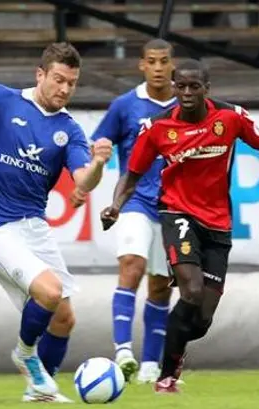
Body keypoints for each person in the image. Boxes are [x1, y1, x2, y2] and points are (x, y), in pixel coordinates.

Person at [0, 24, 113, 402]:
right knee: (49, 291)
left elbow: (84, 181)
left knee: (64, 318)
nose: (64, 89)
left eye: (72, 84)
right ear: (40, 74)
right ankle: (25, 354)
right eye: (59, 80)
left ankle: (39, 391)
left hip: (33, 227)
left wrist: (96, 164)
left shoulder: (69, 131)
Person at [101, 59, 259, 393]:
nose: (186, 93)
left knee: (201, 320)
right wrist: (115, 205)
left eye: (193, 86)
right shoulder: (157, 127)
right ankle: (165, 376)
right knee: (192, 290)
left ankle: (172, 354)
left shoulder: (230, 117)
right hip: (176, 213)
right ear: (173, 87)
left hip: (218, 221)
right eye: (180, 86)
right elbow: (133, 173)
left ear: (206, 89)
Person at [92, 39, 177, 383]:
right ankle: (123, 351)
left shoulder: (185, 106)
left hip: (172, 206)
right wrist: (100, 151)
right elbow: (100, 140)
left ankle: (151, 367)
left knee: (160, 286)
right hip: (135, 201)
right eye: (151, 61)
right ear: (141, 65)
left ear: (172, 64)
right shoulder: (125, 106)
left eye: (164, 61)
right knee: (132, 264)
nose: (158, 67)